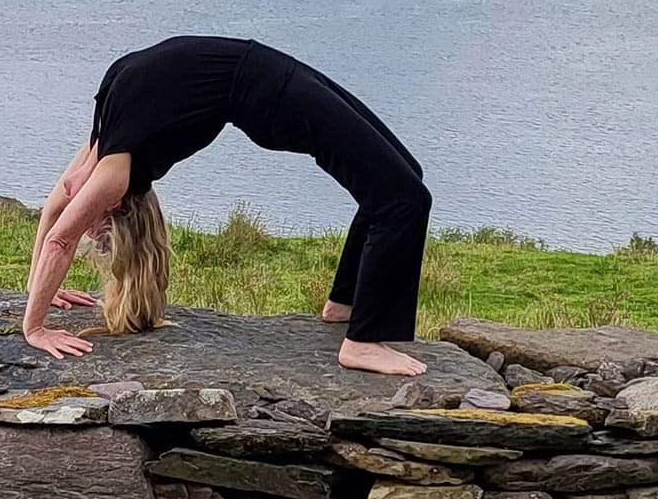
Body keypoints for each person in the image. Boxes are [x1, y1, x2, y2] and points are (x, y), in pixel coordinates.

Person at [22, 35, 432, 376]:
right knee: (403, 198)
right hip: (266, 92)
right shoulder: (109, 167)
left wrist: (34, 317)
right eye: (102, 240)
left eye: (97, 238)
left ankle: (346, 305)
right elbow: (61, 229)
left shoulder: (98, 163)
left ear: (109, 209)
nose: (89, 233)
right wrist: (37, 316)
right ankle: (361, 343)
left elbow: (56, 226)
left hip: (268, 75)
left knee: (405, 178)